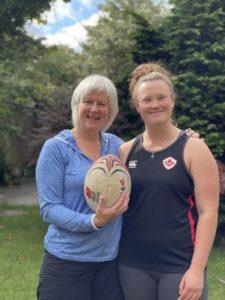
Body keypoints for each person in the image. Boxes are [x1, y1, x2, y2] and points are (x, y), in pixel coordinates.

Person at [118, 63, 219, 300]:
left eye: (162, 97)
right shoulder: (125, 151)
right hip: (133, 265)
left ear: (172, 100)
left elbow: (208, 212)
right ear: (137, 106)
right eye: (147, 99)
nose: (155, 104)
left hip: (180, 266)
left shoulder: (194, 148)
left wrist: (196, 269)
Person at [36, 74, 129, 300]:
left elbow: (151, 149)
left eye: (101, 103)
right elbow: (49, 207)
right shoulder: (57, 148)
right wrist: (93, 222)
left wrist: (183, 139)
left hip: (109, 263)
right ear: (77, 104)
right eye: (88, 101)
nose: (94, 109)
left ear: (110, 110)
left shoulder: (116, 146)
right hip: (66, 263)